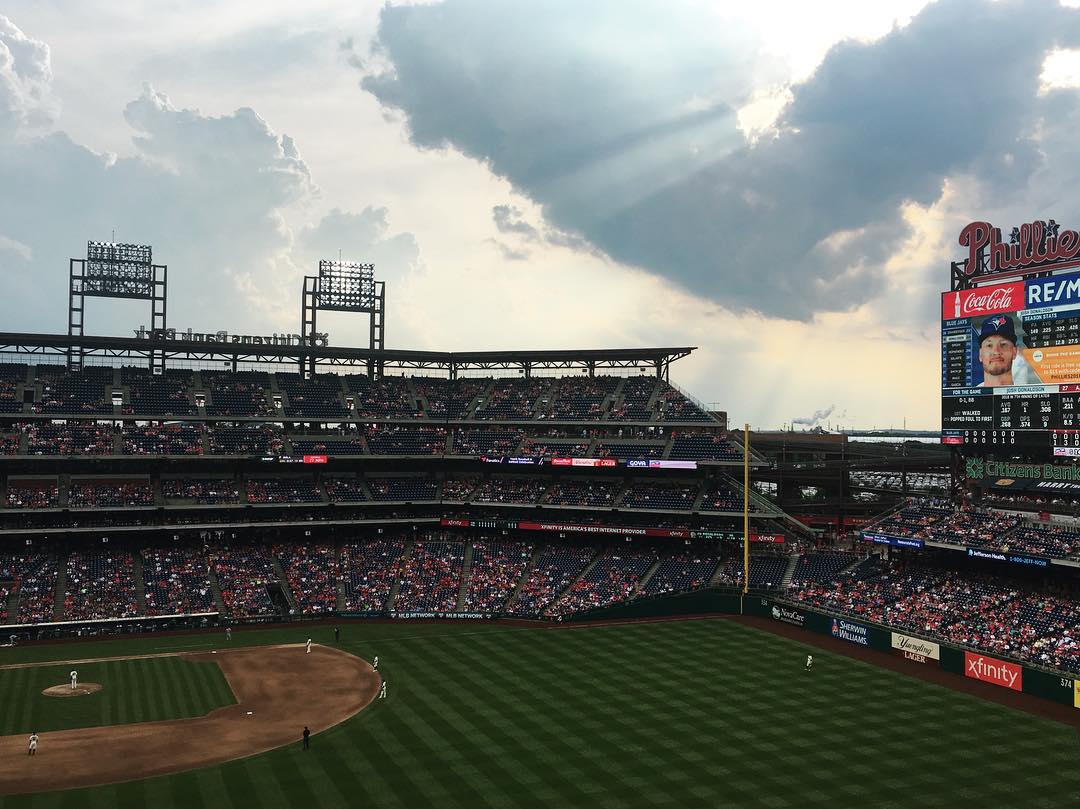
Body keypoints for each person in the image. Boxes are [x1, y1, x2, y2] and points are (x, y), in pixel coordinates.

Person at [976, 315, 1020, 387]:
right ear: (980, 354)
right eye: (989, 345)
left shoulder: (1028, 395)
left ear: (1014, 352)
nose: (996, 352)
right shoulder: (968, 397)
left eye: (1003, 344)